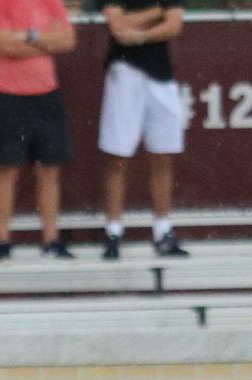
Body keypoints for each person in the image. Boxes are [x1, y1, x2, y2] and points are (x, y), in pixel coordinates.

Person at [0, 0, 78, 260]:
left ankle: (51, 239)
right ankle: (3, 240)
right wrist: (45, 40)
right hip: (8, 94)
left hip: (47, 94)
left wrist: (29, 35)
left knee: (49, 168)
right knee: (6, 169)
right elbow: (4, 45)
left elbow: (68, 40)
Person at [98, 3, 191, 259]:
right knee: (118, 155)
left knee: (163, 156)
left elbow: (174, 25)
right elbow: (118, 28)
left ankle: (162, 231)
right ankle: (113, 231)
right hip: (125, 72)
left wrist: (138, 33)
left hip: (161, 76)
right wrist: (157, 11)